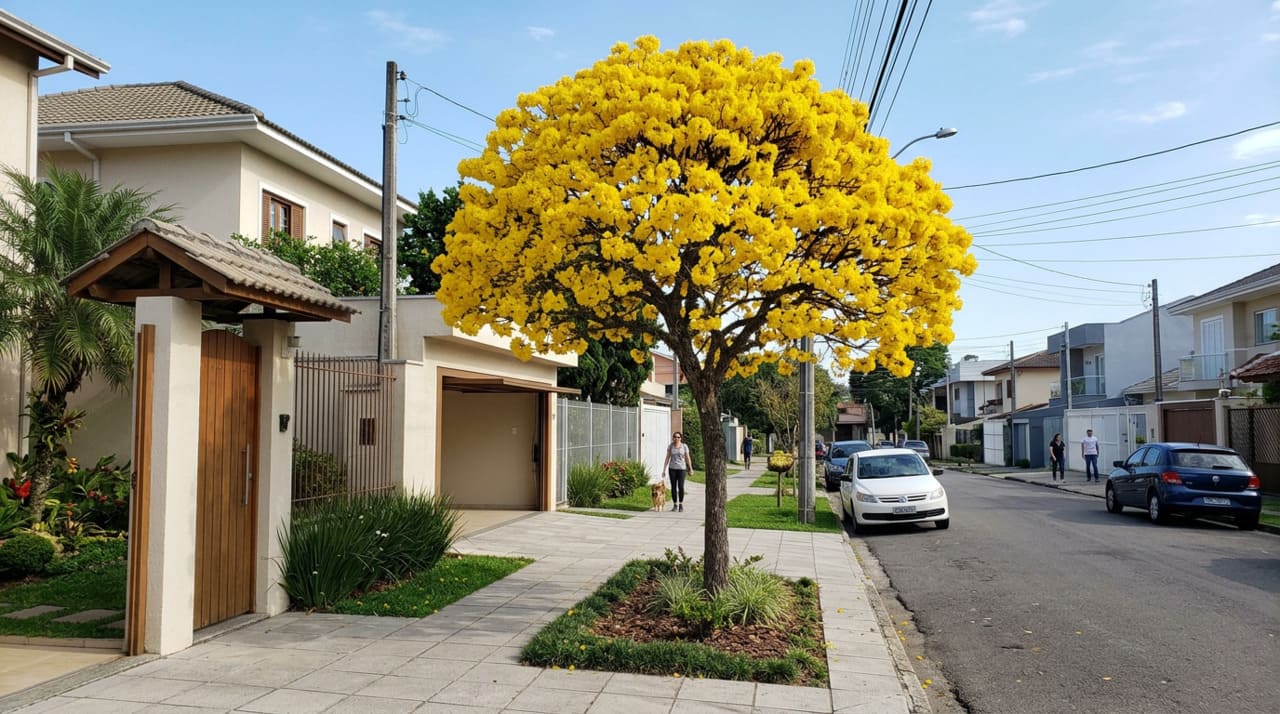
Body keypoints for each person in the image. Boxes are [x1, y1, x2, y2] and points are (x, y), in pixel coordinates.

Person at [662, 431, 694, 512]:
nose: (677, 438)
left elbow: (687, 458)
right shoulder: (671, 446)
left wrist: (690, 468)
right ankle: (675, 504)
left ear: (680, 438)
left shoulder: (684, 446)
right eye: (675, 437)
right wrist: (664, 469)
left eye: (678, 437)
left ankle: (681, 504)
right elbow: (667, 458)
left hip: (682, 469)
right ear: (673, 438)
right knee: (673, 487)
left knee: (681, 487)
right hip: (672, 469)